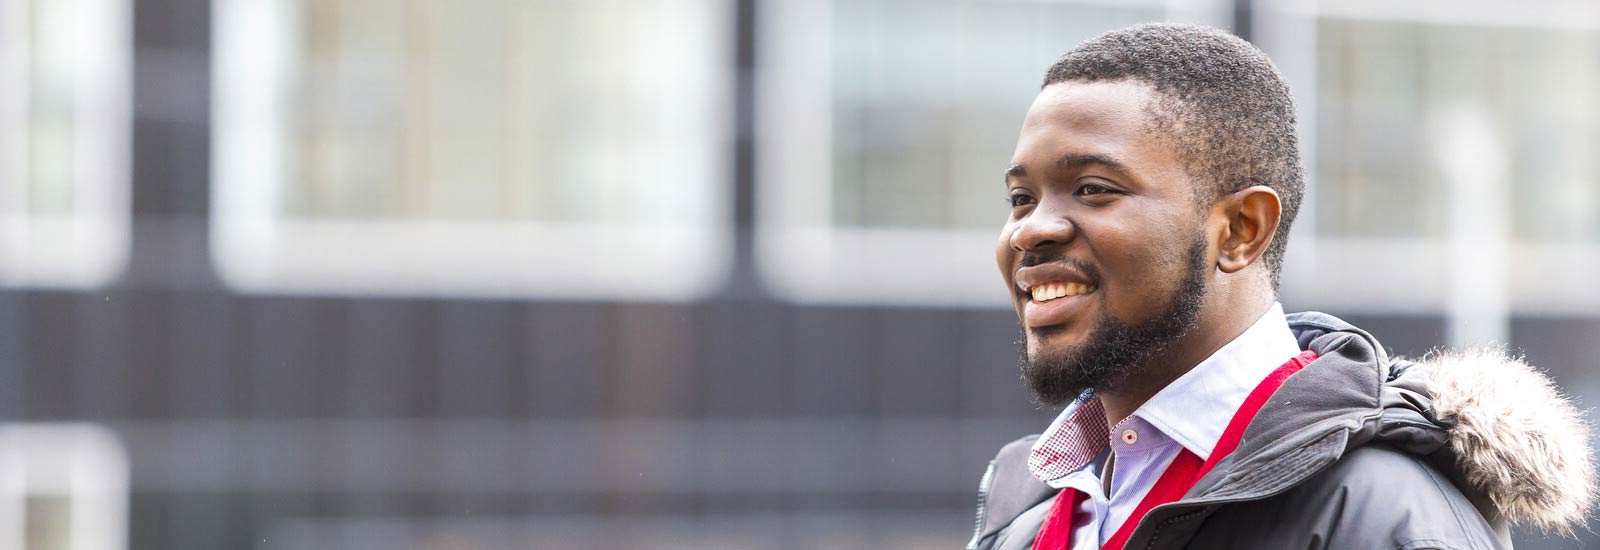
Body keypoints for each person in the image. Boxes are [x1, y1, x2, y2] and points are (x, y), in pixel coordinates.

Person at [969, 23, 1594, 550]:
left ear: (1241, 230)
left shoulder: (1383, 518)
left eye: (1093, 189)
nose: (1031, 230)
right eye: (1021, 198)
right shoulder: (1024, 516)